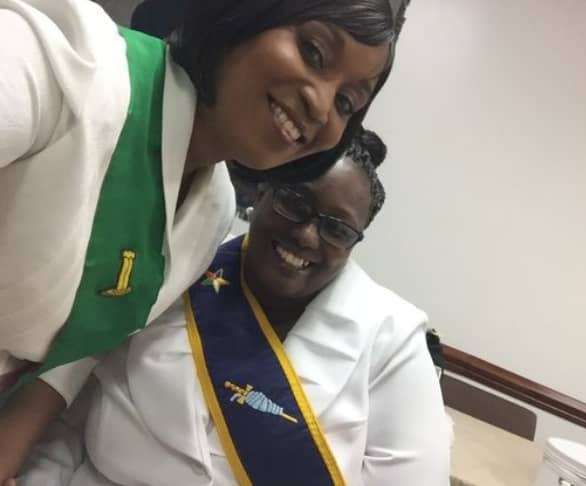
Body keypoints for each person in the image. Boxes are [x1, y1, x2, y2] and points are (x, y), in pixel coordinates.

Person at [0, 0, 411, 481]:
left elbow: (77, 348)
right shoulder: (65, 63)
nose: (321, 107)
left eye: (347, 103)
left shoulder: (212, 210)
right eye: (314, 52)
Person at [18, 129, 452, 485]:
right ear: (262, 192)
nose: (307, 235)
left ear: (353, 243)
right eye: (294, 202)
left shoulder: (393, 339)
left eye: (336, 229)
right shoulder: (179, 263)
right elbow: (69, 419)